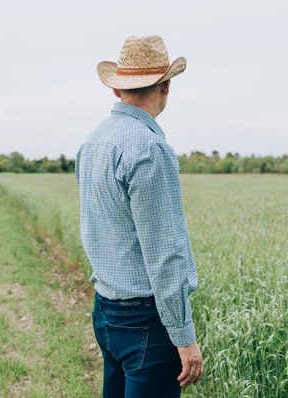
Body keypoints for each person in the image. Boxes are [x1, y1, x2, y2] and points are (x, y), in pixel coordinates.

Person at [75, 35, 203, 397]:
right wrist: (184, 338)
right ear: (167, 87)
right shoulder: (149, 149)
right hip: (146, 322)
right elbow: (166, 254)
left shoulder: (93, 142)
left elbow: (96, 230)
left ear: (118, 91)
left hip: (105, 311)